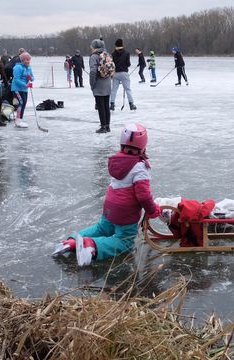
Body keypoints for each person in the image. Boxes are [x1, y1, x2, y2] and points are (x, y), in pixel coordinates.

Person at [55, 124, 161, 265]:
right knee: (125, 240)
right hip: (126, 211)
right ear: (143, 146)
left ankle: (72, 241)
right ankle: (92, 246)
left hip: (110, 205)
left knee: (103, 228)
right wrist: (152, 210)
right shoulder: (140, 167)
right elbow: (143, 195)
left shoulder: (118, 160)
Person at [89, 38, 113, 133]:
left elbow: (93, 71)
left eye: (92, 46)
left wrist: (92, 84)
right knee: (106, 106)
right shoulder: (106, 54)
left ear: (95, 47)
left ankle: (103, 126)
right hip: (107, 83)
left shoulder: (94, 56)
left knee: (100, 106)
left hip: (99, 84)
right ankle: (107, 126)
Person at [111, 38, 136, 111]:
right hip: (124, 73)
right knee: (128, 89)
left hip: (115, 73)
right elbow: (128, 64)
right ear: (122, 44)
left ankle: (112, 104)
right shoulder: (127, 53)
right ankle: (131, 104)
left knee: (114, 90)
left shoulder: (113, 54)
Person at [10, 52, 34, 128]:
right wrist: (26, 84)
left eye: (29, 60)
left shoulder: (29, 67)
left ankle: (20, 119)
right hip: (17, 88)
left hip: (24, 89)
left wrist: (30, 78)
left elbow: (32, 77)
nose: (28, 61)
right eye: (26, 60)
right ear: (22, 60)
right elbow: (16, 79)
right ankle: (18, 120)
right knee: (20, 103)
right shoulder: (18, 67)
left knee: (23, 104)